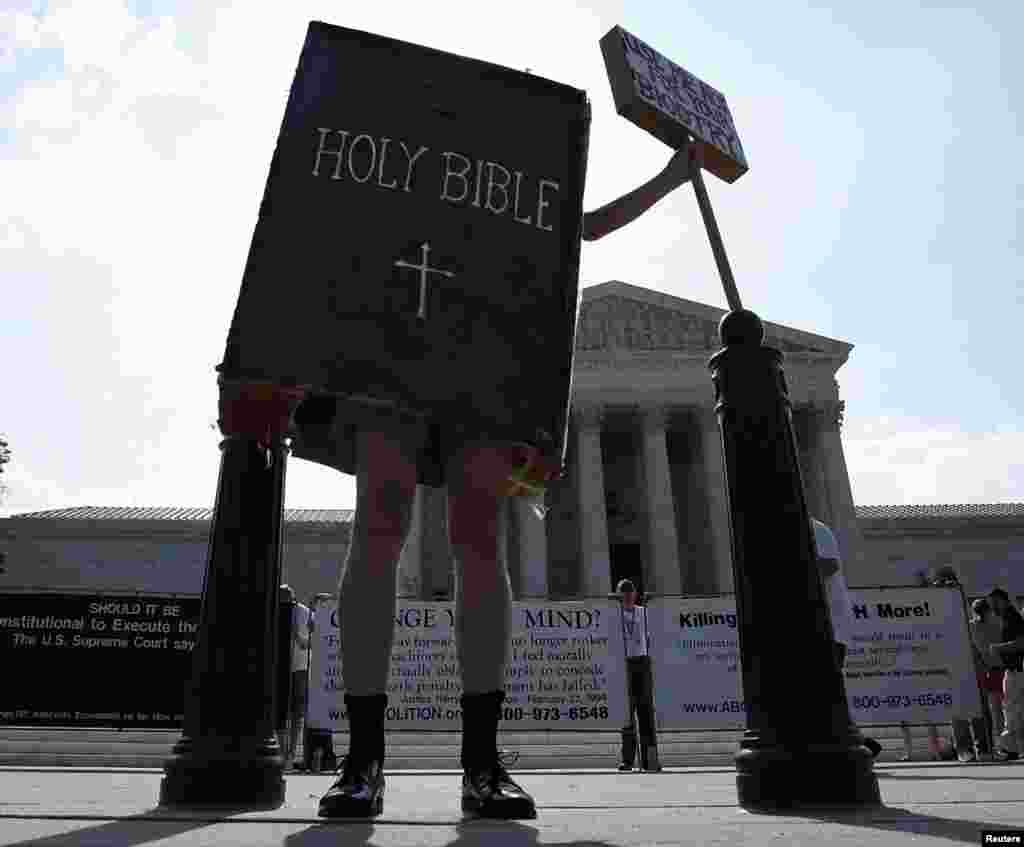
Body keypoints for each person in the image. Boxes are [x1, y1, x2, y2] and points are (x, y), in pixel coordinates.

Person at [305, 146, 701, 819]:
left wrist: (670, 175)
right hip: (392, 341)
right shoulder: (402, 152)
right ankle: (364, 754)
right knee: (378, 525)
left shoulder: (504, 167)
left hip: (482, 359)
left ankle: (480, 760)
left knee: (478, 539)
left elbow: (585, 225)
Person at [811, 518, 883, 759]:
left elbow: (828, 565)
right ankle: (855, 741)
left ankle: (853, 743)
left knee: (824, 689)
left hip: (829, 625)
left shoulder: (815, 529)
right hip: (819, 625)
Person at [615, 578, 660, 773]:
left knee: (646, 711)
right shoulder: (613, 615)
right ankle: (628, 760)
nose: (626, 595)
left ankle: (650, 759)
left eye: (629, 591)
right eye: (623, 592)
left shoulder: (644, 613)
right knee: (627, 714)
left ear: (635, 594)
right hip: (623, 663)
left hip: (642, 661)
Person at [276, 585, 312, 769]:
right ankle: (283, 753)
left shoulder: (305, 612)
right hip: (280, 667)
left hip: (299, 667)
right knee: (281, 710)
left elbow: (312, 642)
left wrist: (298, 636)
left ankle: (291, 753)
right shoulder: (275, 611)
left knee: (298, 711)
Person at [987, 588, 1024, 761]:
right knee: (1014, 709)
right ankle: (1012, 747)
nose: (991, 607)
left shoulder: (1012, 617)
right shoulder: (1009, 617)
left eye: (993, 602)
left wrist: (998, 648)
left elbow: (1021, 643)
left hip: (1016, 671)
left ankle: (1009, 748)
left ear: (1000, 600)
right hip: (1015, 670)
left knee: (1011, 709)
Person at [965, 597, 1004, 761]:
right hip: (996, 670)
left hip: (982, 671)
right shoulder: (997, 625)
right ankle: (999, 746)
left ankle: (987, 747)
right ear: (989, 611)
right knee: (998, 711)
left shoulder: (970, 626)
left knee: (988, 711)